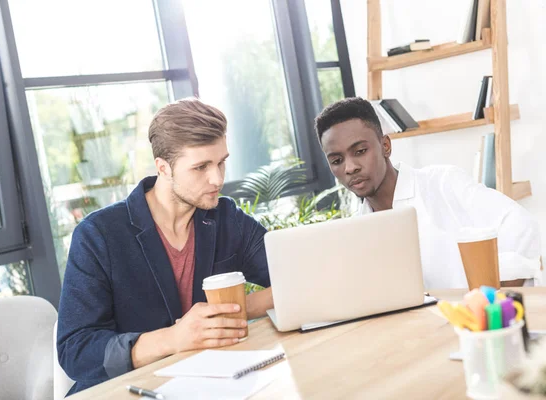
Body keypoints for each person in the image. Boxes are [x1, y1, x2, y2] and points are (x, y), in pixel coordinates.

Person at [57, 98, 274, 395]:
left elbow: (291, 279)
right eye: (201, 167)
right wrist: (173, 339)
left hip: (211, 385)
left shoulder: (226, 218)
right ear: (164, 168)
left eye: (222, 162)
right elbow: (76, 352)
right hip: (125, 391)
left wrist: (232, 312)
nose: (218, 178)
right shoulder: (98, 235)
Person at [314, 97, 542, 289]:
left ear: (385, 146)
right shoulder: (357, 231)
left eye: (360, 151)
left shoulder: (443, 184)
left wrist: (490, 295)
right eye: (337, 160)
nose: (350, 167)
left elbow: (522, 225)